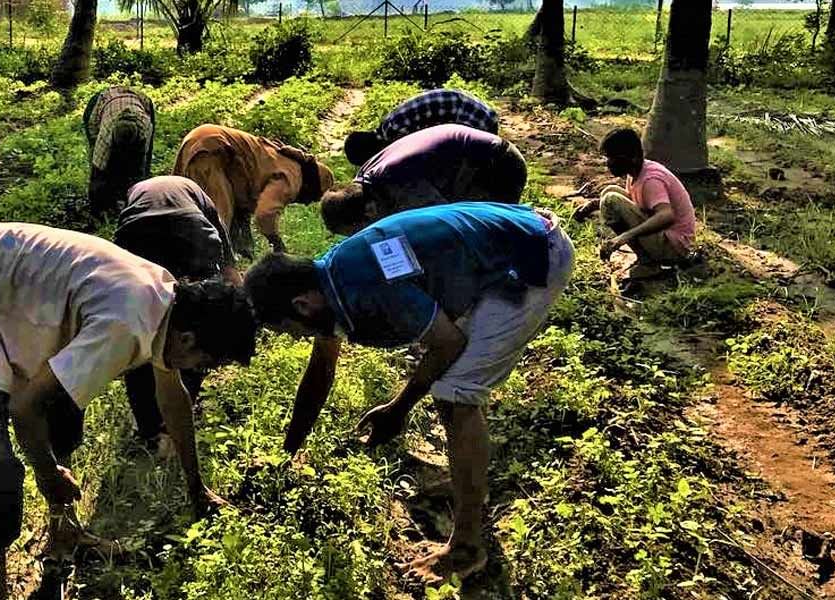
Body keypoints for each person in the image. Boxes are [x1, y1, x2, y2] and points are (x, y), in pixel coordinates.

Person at [0, 221, 256, 600]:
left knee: (63, 416)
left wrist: (197, 489)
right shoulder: (126, 324)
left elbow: (173, 400)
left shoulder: (165, 298)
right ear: (188, 339)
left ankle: (65, 532)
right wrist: (48, 475)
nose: (196, 372)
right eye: (202, 363)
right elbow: (24, 409)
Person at [243, 202, 574, 584]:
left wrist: (398, 409)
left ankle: (466, 546)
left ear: (301, 305)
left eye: (289, 330)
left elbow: (447, 343)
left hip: (533, 254)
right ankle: (467, 478)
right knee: (450, 383)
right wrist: (287, 455)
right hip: (509, 240)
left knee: (454, 395)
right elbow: (320, 371)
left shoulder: (364, 282)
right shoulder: (327, 280)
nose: (297, 338)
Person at [114, 175, 242, 451]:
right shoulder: (196, 193)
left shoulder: (136, 192)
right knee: (200, 328)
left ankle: (149, 428)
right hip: (191, 230)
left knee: (142, 329)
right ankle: (178, 412)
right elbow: (225, 254)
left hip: (138, 234)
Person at [321, 124, 527, 236]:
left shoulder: (401, 184)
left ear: (370, 210)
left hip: (498, 164)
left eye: (357, 232)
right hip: (467, 163)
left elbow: (441, 224)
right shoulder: (365, 183)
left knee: (487, 233)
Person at [173, 124, 335, 256]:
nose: (306, 204)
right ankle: (208, 267)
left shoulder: (288, 163)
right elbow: (265, 214)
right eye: (313, 198)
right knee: (216, 222)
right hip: (212, 148)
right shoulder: (291, 178)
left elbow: (241, 196)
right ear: (311, 187)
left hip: (201, 139)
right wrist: (276, 242)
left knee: (188, 206)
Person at [573, 127, 697, 279]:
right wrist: (592, 205)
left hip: (673, 246)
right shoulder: (637, 171)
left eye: (613, 158)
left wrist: (625, 236)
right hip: (666, 238)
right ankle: (647, 257)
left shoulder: (651, 180)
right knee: (609, 192)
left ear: (632, 157)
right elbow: (637, 203)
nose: (609, 163)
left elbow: (666, 216)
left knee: (611, 199)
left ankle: (649, 262)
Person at [343, 89, 499, 166]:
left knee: (472, 166)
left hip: (474, 116)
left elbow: (420, 152)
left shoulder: (395, 132)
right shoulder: (388, 125)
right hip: (473, 111)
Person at [83, 86, 155, 215]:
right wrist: (98, 207)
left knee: (136, 167)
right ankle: (107, 202)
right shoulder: (105, 136)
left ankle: (135, 198)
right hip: (100, 104)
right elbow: (98, 171)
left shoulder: (145, 126)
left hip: (138, 98)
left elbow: (142, 163)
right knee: (103, 169)